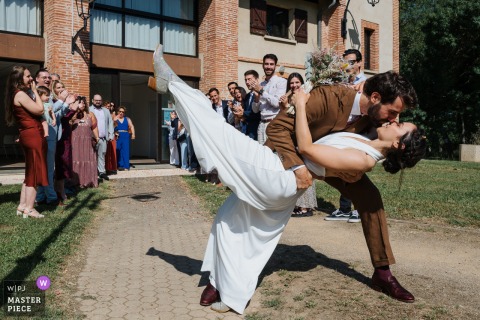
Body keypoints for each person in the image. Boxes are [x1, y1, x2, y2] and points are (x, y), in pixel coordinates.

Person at [150, 45, 426, 314]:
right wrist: (296, 167)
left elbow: (387, 145)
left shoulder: (379, 125)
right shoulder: (329, 97)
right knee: (232, 215)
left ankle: (383, 273)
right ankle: (217, 282)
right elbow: (279, 128)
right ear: (376, 98)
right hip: (288, 161)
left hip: (329, 163)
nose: (394, 119)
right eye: (394, 113)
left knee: (371, 199)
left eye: (398, 118)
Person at [325, 48, 368, 223]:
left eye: (351, 62)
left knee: (355, 168)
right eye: (345, 62)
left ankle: (360, 207)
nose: (347, 66)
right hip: (342, 128)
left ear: (359, 63)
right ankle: (344, 208)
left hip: (358, 128)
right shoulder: (342, 82)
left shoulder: (366, 83)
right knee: (342, 168)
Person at [5, 66, 48, 218]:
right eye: (28, 76)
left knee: (30, 171)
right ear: (19, 79)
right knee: (35, 172)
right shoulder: (21, 94)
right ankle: (30, 208)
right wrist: (36, 91)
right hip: (33, 134)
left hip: (27, 134)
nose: (31, 79)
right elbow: (39, 110)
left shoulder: (15, 94)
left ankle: (22, 205)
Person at [279, 73, 317, 217]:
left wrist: (289, 107)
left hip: (303, 136)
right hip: (291, 137)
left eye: (297, 82)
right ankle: (297, 204)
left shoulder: (306, 96)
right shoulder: (288, 98)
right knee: (295, 169)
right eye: (291, 83)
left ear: (302, 83)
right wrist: (284, 107)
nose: (294, 85)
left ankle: (306, 206)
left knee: (306, 167)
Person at [251, 53, 287, 144]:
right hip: (261, 124)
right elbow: (255, 110)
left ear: (275, 66)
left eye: (271, 64)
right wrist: (257, 97)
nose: (268, 67)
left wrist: (262, 92)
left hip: (274, 122)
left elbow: (276, 103)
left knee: (274, 154)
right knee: (262, 154)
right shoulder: (261, 84)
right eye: (266, 64)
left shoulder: (281, 81)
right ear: (263, 65)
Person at [70, 96, 99, 188]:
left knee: (88, 159)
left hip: (87, 141)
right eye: (79, 102)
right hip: (75, 141)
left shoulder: (90, 114)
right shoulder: (71, 114)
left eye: (83, 102)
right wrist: (73, 115)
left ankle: (88, 181)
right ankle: (75, 181)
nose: (81, 104)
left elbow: (94, 127)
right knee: (76, 160)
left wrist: (97, 138)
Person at [89, 94, 114, 180]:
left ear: (101, 101)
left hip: (103, 137)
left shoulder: (106, 111)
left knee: (102, 155)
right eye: (96, 100)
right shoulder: (89, 110)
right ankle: (91, 172)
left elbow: (110, 122)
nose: (98, 102)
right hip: (91, 137)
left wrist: (111, 134)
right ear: (92, 101)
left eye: (99, 100)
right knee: (91, 155)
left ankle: (102, 172)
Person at [241, 70, 261, 140]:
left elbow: (258, 113)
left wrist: (243, 112)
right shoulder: (247, 96)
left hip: (258, 131)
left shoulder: (261, 93)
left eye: (249, 79)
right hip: (247, 130)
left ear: (256, 80)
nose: (247, 82)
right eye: (245, 80)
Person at [115, 106, 135, 171]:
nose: (121, 113)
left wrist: (133, 134)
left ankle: (126, 166)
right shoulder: (115, 119)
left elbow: (131, 126)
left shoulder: (127, 119)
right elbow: (111, 127)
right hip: (118, 136)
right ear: (118, 112)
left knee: (125, 150)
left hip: (125, 135)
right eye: (120, 111)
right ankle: (119, 165)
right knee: (117, 149)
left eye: (123, 112)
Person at [105, 101, 118, 175]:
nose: (109, 107)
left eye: (110, 106)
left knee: (111, 152)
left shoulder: (113, 114)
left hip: (111, 134)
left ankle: (111, 168)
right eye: (108, 106)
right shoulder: (102, 113)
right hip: (104, 135)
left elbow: (115, 125)